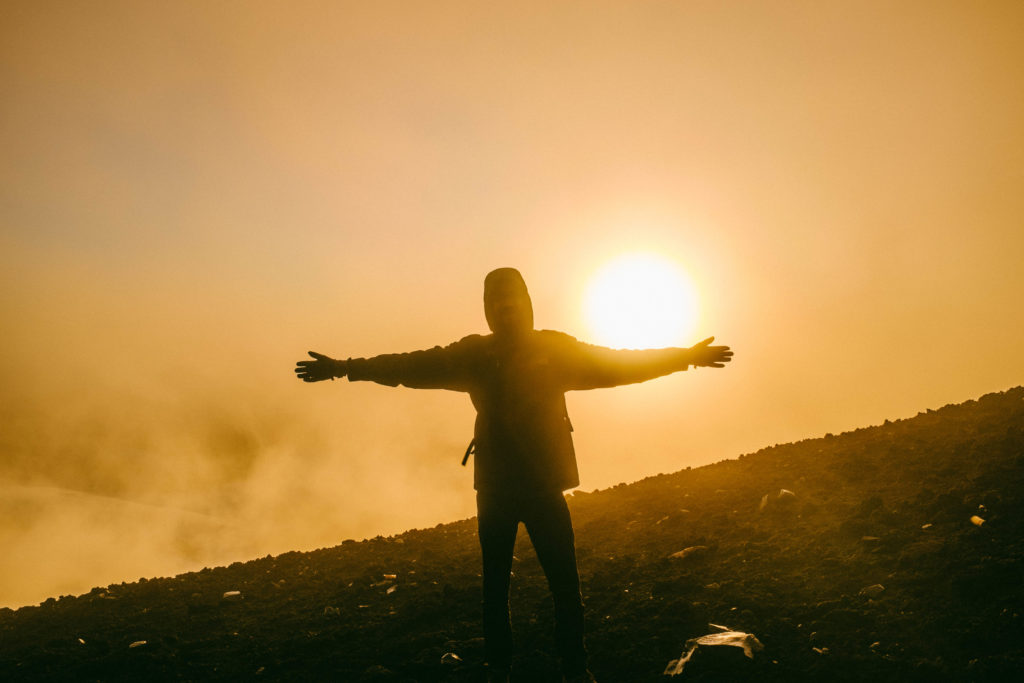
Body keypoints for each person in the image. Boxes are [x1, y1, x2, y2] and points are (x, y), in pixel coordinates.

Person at [295, 267, 733, 683]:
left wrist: (685, 358)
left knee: (536, 587)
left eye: (511, 301)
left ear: (522, 303)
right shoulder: (498, 353)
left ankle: (540, 670)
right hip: (514, 489)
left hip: (518, 489)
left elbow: (619, 364)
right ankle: (557, 670)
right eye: (499, 302)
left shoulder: (501, 353)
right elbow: (409, 366)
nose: (506, 309)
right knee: (536, 588)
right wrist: (343, 368)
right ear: (493, 308)